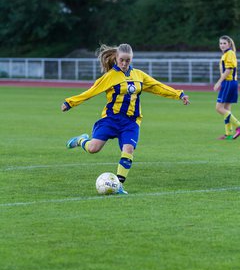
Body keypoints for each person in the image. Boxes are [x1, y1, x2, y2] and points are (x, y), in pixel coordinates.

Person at [61, 43, 190, 194]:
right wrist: (70, 102)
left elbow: (157, 87)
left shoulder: (139, 75)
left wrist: (179, 94)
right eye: (121, 60)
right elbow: (91, 92)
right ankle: (81, 140)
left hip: (131, 122)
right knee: (93, 149)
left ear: (131, 59)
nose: (124, 63)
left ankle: (119, 185)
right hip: (111, 119)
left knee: (128, 149)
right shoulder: (109, 77)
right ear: (116, 58)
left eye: (127, 60)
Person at [213, 35, 240, 140]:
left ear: (229, 44)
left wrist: (219, 82)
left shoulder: (229, 53)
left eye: (224, 43)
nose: (222, 45)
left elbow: (228, 69)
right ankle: (228, 134)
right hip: (231, 83)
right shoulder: (227, 54)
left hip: (228, 83)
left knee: (219, 108)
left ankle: (238, 125)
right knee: (226, 108)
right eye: (220, 43)